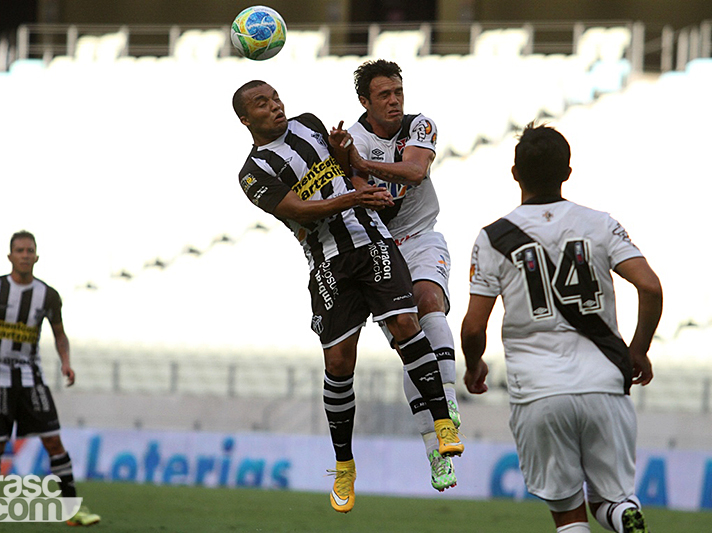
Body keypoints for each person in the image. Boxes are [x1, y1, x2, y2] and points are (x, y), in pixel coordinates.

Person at [233, 80, 462, 513]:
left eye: (277, 97)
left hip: (373, 239)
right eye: (262, 104)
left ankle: (444, 423)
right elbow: (297, 211)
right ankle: (344, 464)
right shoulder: (253, 172)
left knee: (406, 323)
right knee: (339, 363)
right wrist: (353, 196)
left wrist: (342, 153)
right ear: (247, 119)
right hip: (327, 261)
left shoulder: (310, 124)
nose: (276, 107)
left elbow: (340, 170)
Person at [460, 124, 662, 533]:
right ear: (568, 172)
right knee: (612, 498)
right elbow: (650, 287)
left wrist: (473, 364)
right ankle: (624, 516)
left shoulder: (492, 238)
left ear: (514, 173)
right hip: (604, 382)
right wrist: (638, 350)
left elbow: (473, 326)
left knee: (568, 514)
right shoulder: (601, 224)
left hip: (538, 389)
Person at [347, 59, 462, 491]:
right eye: (384, 95)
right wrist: (357, 179)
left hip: (419, 236)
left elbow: (416, 172)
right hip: (376, 248)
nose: (394, 101)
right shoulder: (350, 140)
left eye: (398, 92)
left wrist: (361, 165)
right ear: (365, 101)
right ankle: (435, 449)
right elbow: (355, 187)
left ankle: (447, 411)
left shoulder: (419, 126)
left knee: (429, 301)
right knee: (408, 337)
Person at [0, 230, 100, 527]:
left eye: (29, 250)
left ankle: (71, 509)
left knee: (53, 440)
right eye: (19, 250)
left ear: (36, 256)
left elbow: (60, 334)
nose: (24, 255)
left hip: (31, 374)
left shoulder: (48, 295)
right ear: (10, 256)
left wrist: (66, 363)